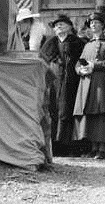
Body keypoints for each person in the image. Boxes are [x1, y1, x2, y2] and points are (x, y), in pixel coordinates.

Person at [73, 11, 105, 159]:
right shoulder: (88, 44)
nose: (94, 25)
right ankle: (93, 147)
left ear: (103, 26)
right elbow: (80, 61)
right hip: (87, 83)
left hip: (102, 83)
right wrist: (80, 69)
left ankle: (103, 148)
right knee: (90, 114)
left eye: (97, 23)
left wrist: (95, 65)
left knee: (102, 113)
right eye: (91, 23)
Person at [39, 12, 85, 156]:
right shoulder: (50, 42)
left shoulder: (77, 42)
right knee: (54, 109)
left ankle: (69, 146)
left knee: (67, 110)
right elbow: (43, 58)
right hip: (54, 81)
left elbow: (83, 59)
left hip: (72, 80)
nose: (59, 26)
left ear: (70, 27)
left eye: (62, 24)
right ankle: (55, 146)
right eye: (56, 25)